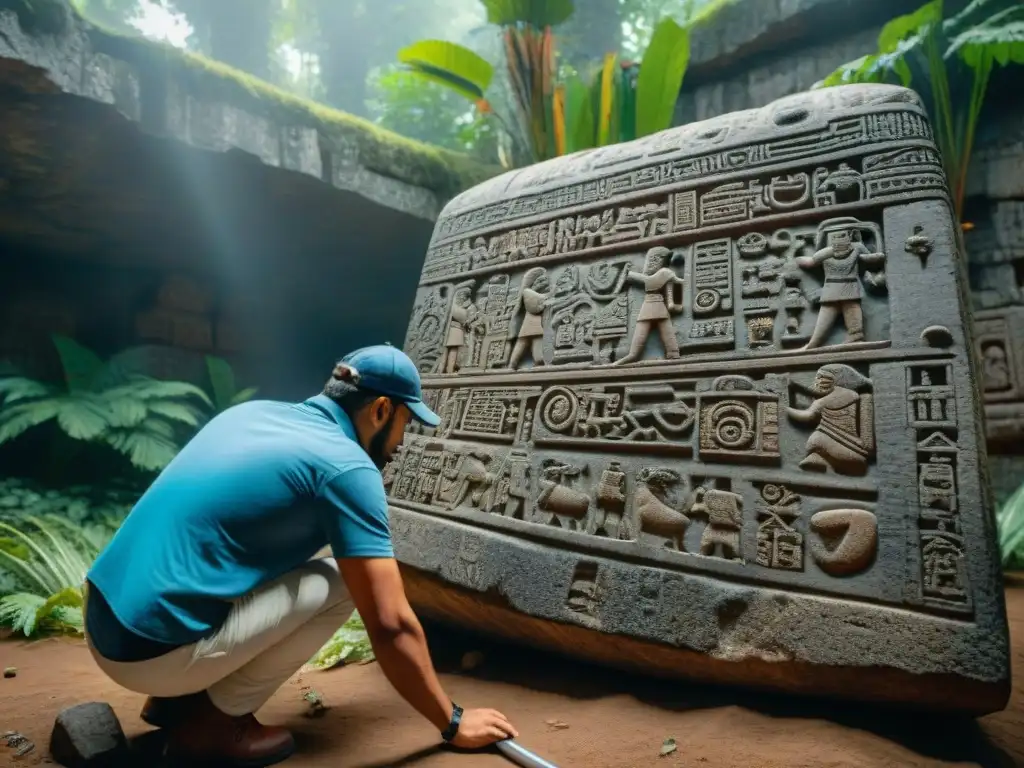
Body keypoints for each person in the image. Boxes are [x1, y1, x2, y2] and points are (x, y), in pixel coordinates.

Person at [82, 344, 518, 767]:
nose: (403, 440)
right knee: (345, 581)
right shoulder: (347, 467)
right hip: (149, 654)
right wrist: (452, 721)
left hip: (104, 615)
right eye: (407, 421)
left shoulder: (253, 414)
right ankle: (213, 727)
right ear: (382, 410)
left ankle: (175, 704)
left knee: (266, 560)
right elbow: (390, 623)